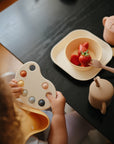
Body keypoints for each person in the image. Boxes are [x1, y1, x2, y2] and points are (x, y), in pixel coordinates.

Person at [0, 77, 93, 144]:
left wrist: (10, 93)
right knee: (87, 117)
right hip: (54, 134)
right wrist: (58, 114)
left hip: (37, 116)